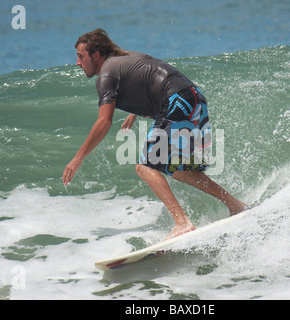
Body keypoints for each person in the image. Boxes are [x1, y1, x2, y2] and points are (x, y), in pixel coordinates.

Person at [63, 28, 248, 240]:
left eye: (81, 56)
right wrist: (134, 114)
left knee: (144, 166)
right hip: (195, 99)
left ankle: (182, 222)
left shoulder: (106, 74)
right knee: (178, 169)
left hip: (177, 101)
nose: (78, 63)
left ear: (96, 55)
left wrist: (77, 159)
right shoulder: (125, 58)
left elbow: (104, 122)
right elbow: (148, 77)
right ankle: (236, 205)